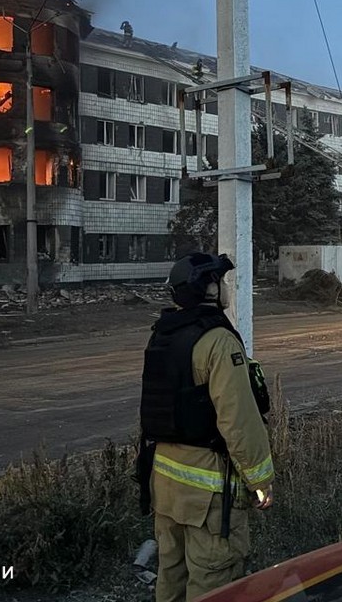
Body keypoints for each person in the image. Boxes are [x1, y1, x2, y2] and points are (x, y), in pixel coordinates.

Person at [137, 253, 275, 602]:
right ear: (209, 289)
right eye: (221, 282)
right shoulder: (217, 341)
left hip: (164, 486)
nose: (226, 288)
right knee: (214, 583)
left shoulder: (163, 335)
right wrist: (260, 481)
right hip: (208, 495)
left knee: (171, 579)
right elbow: (238, 420)